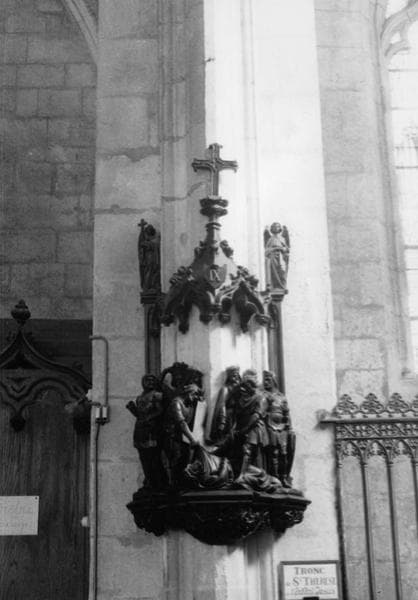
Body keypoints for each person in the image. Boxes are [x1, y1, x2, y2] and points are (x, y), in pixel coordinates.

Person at [126, 374, 167, 490]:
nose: (150, 382)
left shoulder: (157, 395)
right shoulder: (139, 398)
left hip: (151, 430)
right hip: (140, 430)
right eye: (147, 380)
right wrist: (132, 409)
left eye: (152, 380)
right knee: (144, 458)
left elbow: (160, 411)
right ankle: (150, 480)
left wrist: (148, 418)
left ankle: (159, 483)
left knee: (154, 457)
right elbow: (139, 415)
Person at [263, 370, 295, 487]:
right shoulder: (264, 396)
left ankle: (284, 477)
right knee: (274, 453)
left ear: (274, 381)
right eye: (264, 380)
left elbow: (287, 413)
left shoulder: (281, 397)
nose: (266, 382)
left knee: (284, 453)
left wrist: (290, 427)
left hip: (282, 427)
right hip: (270, 425)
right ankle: (275, 478)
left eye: (268, 380)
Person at [208, 366, 241, 443]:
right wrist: (222, 421)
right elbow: (222, 405)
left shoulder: (238, 388)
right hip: (229, 415)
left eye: (237, 375)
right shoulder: (225, 389)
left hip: (237, 414)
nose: (236, 378)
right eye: (234, 376)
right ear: (229, 376)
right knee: (227, 437)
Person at [264, 222, 290, 293]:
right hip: (273, 257)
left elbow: (287, 249)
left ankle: (283, 286)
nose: (275, 228)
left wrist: (283, 249)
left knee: (282, 271)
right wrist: (274, 249)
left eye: (277, 226)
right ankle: (275, 287)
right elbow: (266, 251)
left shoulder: (282, 239)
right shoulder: (270, 239)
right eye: (274, 227)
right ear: (272, 229)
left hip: (281, 257)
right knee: (273, 272)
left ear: (280, 228)